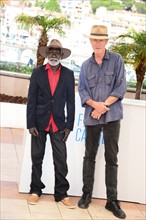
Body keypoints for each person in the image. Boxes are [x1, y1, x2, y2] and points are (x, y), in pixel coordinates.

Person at [78, 25, 127, 219]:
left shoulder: (117, 60)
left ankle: (112, 201)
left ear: (106, 41)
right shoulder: (85, 65)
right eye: (94, 39)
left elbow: (121, 86)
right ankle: (86, 194)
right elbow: (82, 90)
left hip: (112, 116)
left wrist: (102, 106)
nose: (97, 43)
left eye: (100, 40)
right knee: (89, 156)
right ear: (90, 41)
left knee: (111, 158)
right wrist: (94, 106)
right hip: (92, 117)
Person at [26, 39, 76, 209]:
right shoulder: (37, 72)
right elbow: (31, 100)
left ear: (61, 55)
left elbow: (71, 102)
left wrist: (69, 125)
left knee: (61, 160)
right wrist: (30, 123)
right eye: (51, 51)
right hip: (39, 123)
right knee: (37, 158)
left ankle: (61, 193)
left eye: (57, 51)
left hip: (59, 124)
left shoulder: (68, 74)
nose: (54, 54)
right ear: (46, 54)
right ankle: (35, 190)